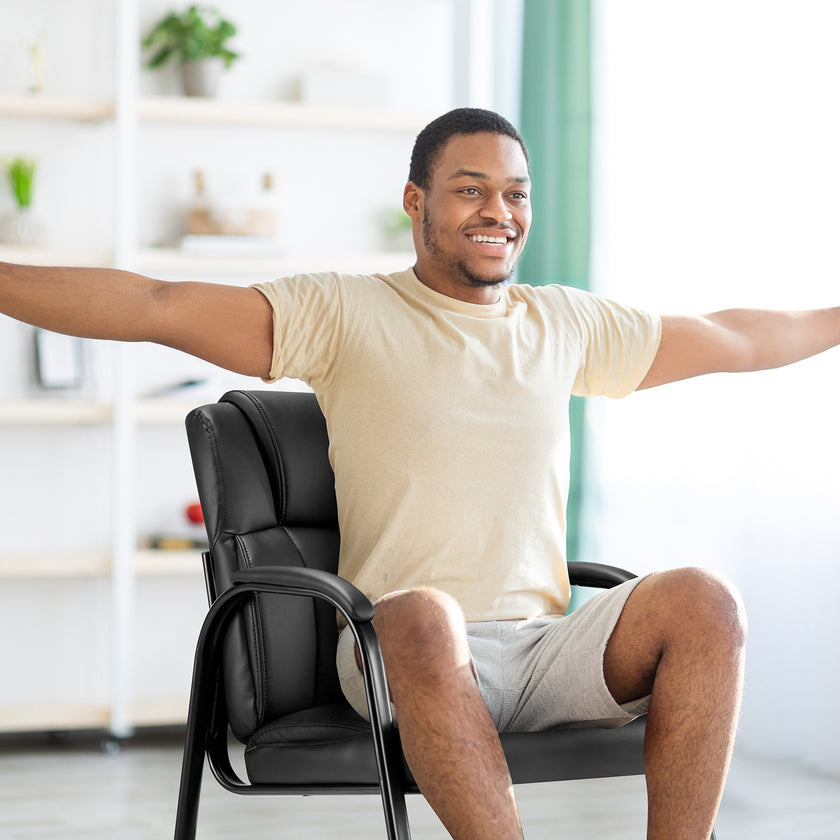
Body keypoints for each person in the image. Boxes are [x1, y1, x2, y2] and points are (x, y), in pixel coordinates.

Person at [2, 107, 839, 840]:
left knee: (705, 599)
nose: (499, 213)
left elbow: (737, 339)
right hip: (397, 647)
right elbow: (157, 305)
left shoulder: (566, 324)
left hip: (545, 647)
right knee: (427, 614)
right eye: (471, 189)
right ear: (417, 202)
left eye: (516, 193)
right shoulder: (343, 313)